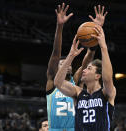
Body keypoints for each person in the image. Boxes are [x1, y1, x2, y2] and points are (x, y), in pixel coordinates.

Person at [45, 3, 107, 131]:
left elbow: (90, 54)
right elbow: (56, 53)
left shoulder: (77, 81)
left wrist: (97, 29)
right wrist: (60, 26)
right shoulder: (52, 82)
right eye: (62, 64)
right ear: (57, 69)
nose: (66, 66)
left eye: (67, 64)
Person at [54, 25, 116, 131]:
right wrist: (71, 56)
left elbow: (107, 78)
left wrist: (103, 47)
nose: (84, 70)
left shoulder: (106, 92)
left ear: (97, 76)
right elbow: (58, 83)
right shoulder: (78, 93)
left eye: (89, 68)